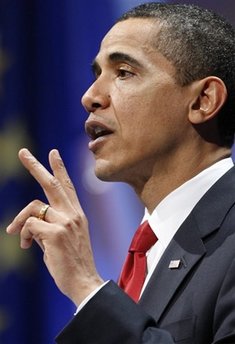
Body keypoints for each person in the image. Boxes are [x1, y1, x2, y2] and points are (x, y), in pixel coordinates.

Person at [6, 2, 235, 343]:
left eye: (124, 72)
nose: (90, 97)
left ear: (203, 100)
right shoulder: (152, 247)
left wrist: (86, 286)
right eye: (96, 75)